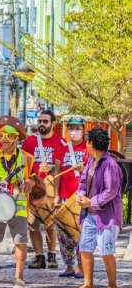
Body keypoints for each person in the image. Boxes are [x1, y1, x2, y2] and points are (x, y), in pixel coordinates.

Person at [0, 116, 34, 288]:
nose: (4, 140)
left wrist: (30, 182)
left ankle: (19, 279)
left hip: (18, 206)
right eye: (0, 136)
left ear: (17, 138)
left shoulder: (27, 158)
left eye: (9, 136)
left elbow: (34, 178)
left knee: (20, 242)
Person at [73, 127, 123, 288]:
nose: (86, 145)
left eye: (87, 142)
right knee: (85, 248)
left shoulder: (110, 164)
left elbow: (111, 191)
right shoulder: (91, 161)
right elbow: (83, 181)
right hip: (89, 215)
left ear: (91, 143)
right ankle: (88, 284)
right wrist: (81, 195)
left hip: (107, 217)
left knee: (106, 251)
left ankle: (112, 286)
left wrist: (91, 202)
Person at [22, 109, 66, 269]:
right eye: (40, 121)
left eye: (45, 121)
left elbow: (60, 169)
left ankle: (52, 255)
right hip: (33, 189)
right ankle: (39, 257)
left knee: (50, 225)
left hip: (50, 189)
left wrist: (57, 194)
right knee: (32, 224)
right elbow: (23, 165)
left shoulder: (60, 142)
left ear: (53, 124)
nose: (41, 124)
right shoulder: (29, 142)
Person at [58, 116, 89, 279]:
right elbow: (57, 171)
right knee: (63, 233)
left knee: (79, 233)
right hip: (64, 196)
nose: (74, 131)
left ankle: (81, 266)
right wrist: (56, 195)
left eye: (77, 128)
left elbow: (93, 171)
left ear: (83, 130)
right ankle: (69, 266)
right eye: (71, 128)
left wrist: (83, 168)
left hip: (79, 196)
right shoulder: (63, 148)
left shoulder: (88, 148)